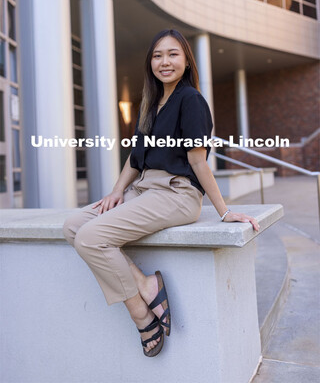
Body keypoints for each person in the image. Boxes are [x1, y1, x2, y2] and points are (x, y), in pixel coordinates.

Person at [63, 28, 259, 358]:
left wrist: (224, 211)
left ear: (186, 61)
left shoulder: (192, 100)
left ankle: (141, 315)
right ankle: (144, 283)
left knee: (90, 238)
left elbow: (198, 162)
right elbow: (134, 158)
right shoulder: (152, 104)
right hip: (144, 190)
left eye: (172, 54)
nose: (164, 61)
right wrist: (116, 192)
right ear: (150, 62)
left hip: (175, 193)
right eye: (157, 55)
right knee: (72, 226)